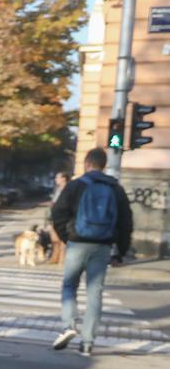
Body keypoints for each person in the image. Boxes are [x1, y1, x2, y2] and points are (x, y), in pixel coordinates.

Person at [50, 147, 133, 356]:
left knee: (69, 285)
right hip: (103, 246)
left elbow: (58, 212)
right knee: (94, 292)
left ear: (87, 164)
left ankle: (69, 325)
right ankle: (87, 343)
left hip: (77, 243)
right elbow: (126, 222)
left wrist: (66, 236)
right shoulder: (116, 189)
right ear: (104, 165)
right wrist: (120, 252)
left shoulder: (75, 186)